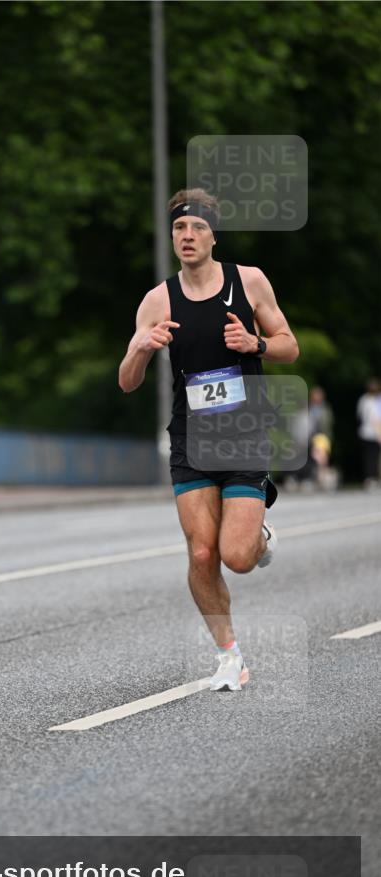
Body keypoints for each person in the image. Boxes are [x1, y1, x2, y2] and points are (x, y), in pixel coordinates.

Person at [119, 188, 299, 691]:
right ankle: (229, 657)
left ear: (213, 235)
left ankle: (260, 535)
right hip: (191, 437)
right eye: (180, 228)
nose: (188, 235)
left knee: (237, 557)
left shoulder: (249, 282)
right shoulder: (158, 300)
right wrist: (138, 348)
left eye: (197, 227)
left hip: (244, 435)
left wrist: (255, 343)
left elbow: (289, 346)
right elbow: (127, 381)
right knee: (202, 554)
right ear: (172, 236)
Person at [356, 378, 381, 490]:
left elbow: (360, 415)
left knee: (370, 457)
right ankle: (370, 478)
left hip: (367, 432)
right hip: (372, 433)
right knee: (372, 457)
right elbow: (376, 419)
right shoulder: (374, 400)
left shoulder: (364, 400)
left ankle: (370, 478)